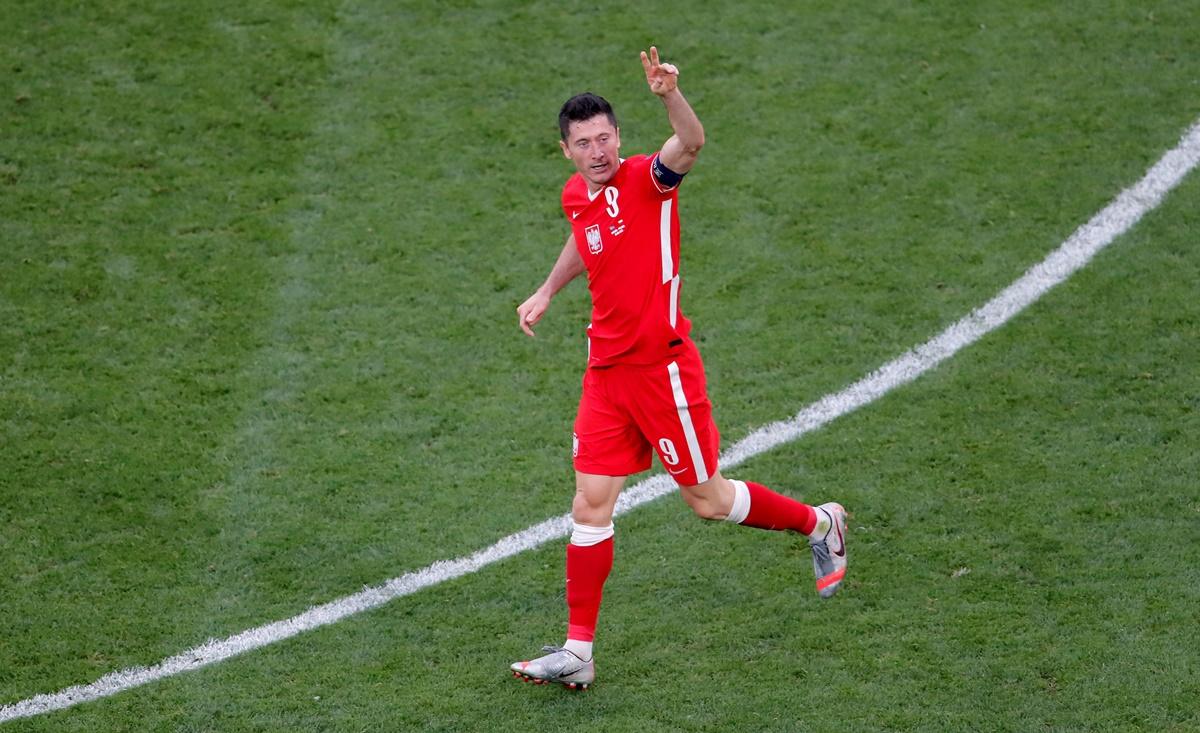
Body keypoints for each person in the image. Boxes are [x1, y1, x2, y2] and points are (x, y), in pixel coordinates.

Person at [510, 47, 847, 691]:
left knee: (707, 500)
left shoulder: (648, 179)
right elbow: (587, 239)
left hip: (662, 372)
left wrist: (669, 95)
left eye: (606, 137)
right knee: (589, 502)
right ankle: (578, 650)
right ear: (567, 152)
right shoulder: (575, 196)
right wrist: (548, 290)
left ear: (619, 138)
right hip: (605, 373)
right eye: (585, 143)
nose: (599, 151)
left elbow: (690, 144)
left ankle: (820, 522)